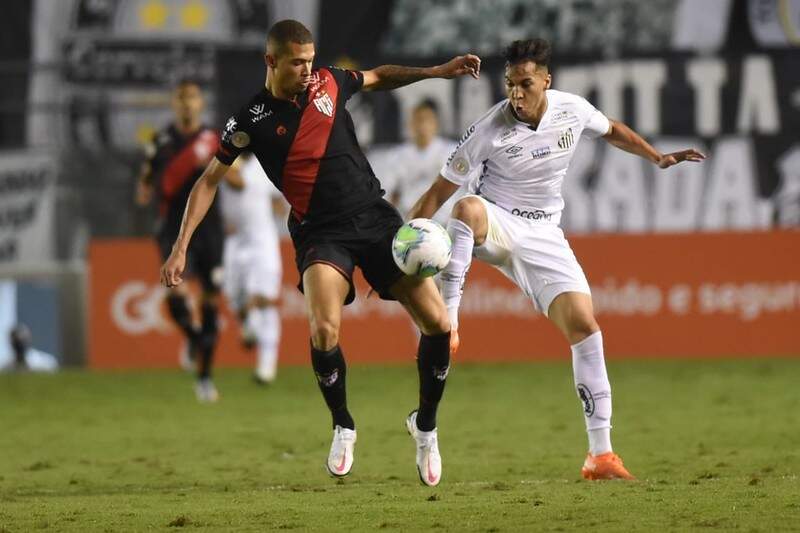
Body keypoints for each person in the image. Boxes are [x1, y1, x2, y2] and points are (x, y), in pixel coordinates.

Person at [160, 20, 480, 486]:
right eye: (297, 62)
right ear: (271, 62)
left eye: (311, 59)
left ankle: (426, 426)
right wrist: (180, 246)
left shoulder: (330, 81)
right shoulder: (250, 120)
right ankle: (343, 424)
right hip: (320, 232)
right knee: (324, 327)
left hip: (374, 216)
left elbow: (379, 76)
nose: (309, 69)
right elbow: (208, 180)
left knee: (437, 322)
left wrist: (437, 71)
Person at [409, 38, 705, 480]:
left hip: (545, 234)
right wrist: (399, 250)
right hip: (496, 220)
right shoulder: (489, 128)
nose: (516, 93)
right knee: (465, 208)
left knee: (585, 326)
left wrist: (656, 157)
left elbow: (613, 130)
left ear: (547, 80)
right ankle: (451, 317)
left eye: (525, 83)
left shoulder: (573, 109)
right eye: (510, 84)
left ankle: (600, 455)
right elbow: (437, 193)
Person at [136, 80, 224, 403]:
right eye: (181, 98)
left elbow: (239, 180)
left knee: (211, 300)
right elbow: (143, 190)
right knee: (178, 292)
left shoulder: (215, 140)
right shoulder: (160, 141)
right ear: (174, 104)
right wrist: (155, 184)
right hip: (173, 229)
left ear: (201, 103)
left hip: (210, 229)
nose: (187, 104)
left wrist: (213, 167)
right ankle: (194, 337)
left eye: (193, 98)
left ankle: (205, 377)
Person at [219, 153, 285, 384]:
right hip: (234, 241)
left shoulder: (266, 163)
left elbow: (277, 200)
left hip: (262, 240)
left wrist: (281, 211)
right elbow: (236, 183)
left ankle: (266, 366)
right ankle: (249, 325)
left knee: (263, 297)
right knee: (235, 299)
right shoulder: (225, 161)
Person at [381, 99, 463, 225]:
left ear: (436, 123)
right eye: (418, 120)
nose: (423, 125)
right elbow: (390, 195)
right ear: (410, 124)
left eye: (427, 120)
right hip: (409, 222)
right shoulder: (397, 155)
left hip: (445, 223)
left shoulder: (452, 152)